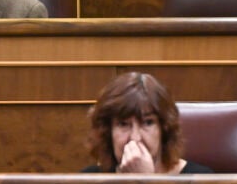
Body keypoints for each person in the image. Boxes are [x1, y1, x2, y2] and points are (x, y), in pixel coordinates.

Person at [82, 72, 213, 174]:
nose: (135, 138)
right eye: (123, 124)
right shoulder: (90, 179)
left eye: (148, 123)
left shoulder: (201, 178)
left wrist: (147, 181)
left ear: (164, 129)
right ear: (108, 132)